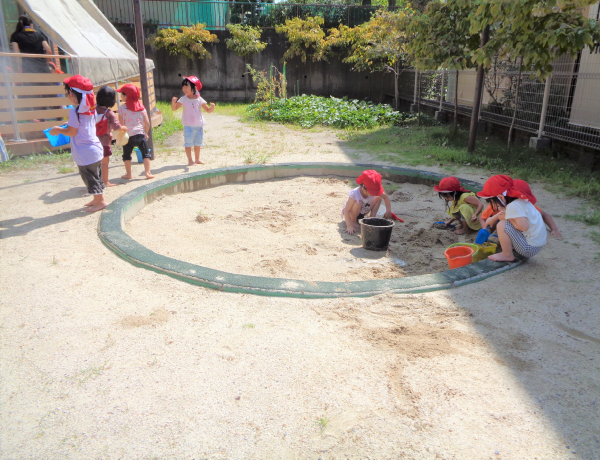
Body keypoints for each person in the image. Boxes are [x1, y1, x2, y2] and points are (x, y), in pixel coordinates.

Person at [49, 75, 106, 212]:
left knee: (90, 178)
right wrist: (68, 125)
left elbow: (72, 132)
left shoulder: (74, 113)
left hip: (85, 153)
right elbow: (81, 126)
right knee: (96, 176)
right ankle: (97, 199)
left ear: (72, 94)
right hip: (94, 150)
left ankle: (101, 202)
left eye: (68, 92)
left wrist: (58, 130)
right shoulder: (90, 110)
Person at [477, 175, 547, 262]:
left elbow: (523, 227)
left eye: (493, 202)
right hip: (535, 245)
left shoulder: (513, 206)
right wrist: (493, 219)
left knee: (502, 225)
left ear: (501, 198)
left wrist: (506, 219)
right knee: (505, 220)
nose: (495, 206)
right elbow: (504, 214)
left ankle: (507, 254)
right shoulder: (518, 201)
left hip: (529, 249)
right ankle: (510, 248)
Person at [479, 179, 562, 239]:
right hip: (511, 227)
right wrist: (485, 228)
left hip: (524, 230)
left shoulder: (523, 206)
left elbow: (544, 215)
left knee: (505, 222)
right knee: (498, 220)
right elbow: (482, 218)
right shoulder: (493, 206)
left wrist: (554, 229)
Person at [171, 76, 215, 166]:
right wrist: (173, 102)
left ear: (194, 87)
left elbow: (208, 110)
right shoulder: (183, 99)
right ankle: (190, 161)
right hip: (188, 126)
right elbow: (175, 108)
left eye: (186, 86)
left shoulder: (199, 99)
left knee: (198, 144)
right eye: (183, 87)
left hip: (199, 126)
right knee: (188, 144)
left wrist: (212, 107)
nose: (184, 89)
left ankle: (197, 159)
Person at [116, 83, 154, 179]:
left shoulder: (121, 109)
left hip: (128, 136)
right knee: (146, 154)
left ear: (126, 96)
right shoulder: (141, 108)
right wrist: (146, 132)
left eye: (122, 94)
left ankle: (129, 174)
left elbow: (121, 124)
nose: (121, 96)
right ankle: (148, 173)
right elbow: (147, 123)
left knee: (127, 155)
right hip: (140, 135)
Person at [342, 170, 392, 235]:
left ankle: (371, 219)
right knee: (358, 203)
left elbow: (386, 197)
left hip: (364, 210)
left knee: (378, 198)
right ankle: (353, 221)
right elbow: (346, 210)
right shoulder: (355, 194)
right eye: (372, 192)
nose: (374, 194)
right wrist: (349, 226)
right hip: (352, 213)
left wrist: (388, 211)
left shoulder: (373, 191)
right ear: (363, 188)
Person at [96, 86, 127, 187]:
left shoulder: (92, 110)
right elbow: (117, 127)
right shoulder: (109, 113)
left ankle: (95, 183)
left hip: (92, 142)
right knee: (104, 163)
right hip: (104, 142)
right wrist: (124, 128)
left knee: (94, 164)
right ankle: (105, 182)